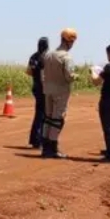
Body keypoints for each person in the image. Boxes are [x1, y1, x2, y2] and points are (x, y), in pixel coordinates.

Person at [40, 28, 78, 158]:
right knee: (57, 119)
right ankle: (53, 148)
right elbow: (69, 76)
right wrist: (75, 76)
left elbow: (43, 73)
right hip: (61, 91)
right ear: (70, 42)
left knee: (48, 118)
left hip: (47, 90)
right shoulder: (66, 57)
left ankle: (45, 147)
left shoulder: (48, 54)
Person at [26, 36, 49, 148]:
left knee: (38, 114)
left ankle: (34, 139)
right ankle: (39, 140)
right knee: (43, 115)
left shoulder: (33, 56)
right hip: (44, 89)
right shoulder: (46, 57)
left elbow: (28, 72)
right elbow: (45, 75)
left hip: (36, 87)